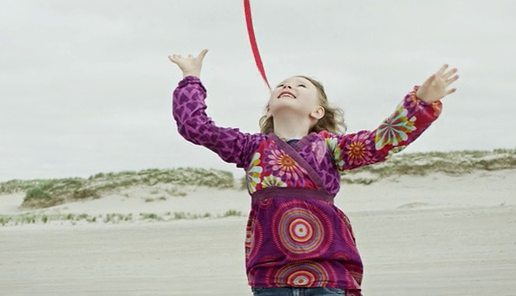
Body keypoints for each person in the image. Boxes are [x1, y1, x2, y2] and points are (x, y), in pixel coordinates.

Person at [169, 49, 458, 296]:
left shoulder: (331, 148)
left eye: (301, 86)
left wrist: (421, 101)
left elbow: (382, 141)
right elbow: (195, 126)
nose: (288, 86)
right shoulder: (251, 148)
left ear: (318, 112)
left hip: (328, 273)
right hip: (271, 277)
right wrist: (190, 78)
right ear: (269, 109)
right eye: (282, 84)